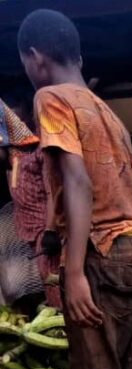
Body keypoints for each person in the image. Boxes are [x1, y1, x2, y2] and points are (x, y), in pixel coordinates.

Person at [17, 9, 132, 369]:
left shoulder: (50, 98)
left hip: (98, 253)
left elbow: (78, 181)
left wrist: (76, 271)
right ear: (79, 59)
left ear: (36, 58)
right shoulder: (108, 114)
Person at [0, 87, 62, 308]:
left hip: (47, 235)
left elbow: (53, 189)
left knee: (57, 291)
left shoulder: (38, 150)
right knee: (48, 288)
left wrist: (51, 229)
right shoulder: (13, 157)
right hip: (32, 237)